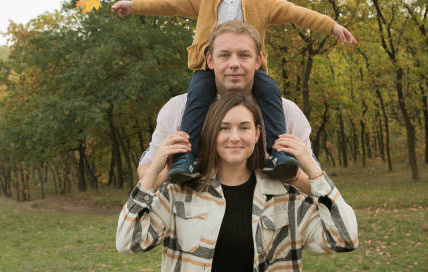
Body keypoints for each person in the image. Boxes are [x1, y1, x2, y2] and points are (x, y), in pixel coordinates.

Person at [111, 0, 357, 183]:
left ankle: (278, 152)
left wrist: (331, 26)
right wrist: (134, 5)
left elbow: (297, 14)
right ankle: (187, 157)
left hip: (252, 72)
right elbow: (169, 4)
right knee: (198, 96)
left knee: (270, 91)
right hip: (208, 71)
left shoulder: (262, 1)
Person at [116, 92, 358, 271]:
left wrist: (312, 173)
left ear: (257, 134)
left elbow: (345, 238)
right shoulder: (180, 191)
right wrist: (153, 174)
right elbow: (128, 242)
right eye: (224, 128)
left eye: (244, 127)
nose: (234, 137)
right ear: (211, 134)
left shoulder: (285, 196)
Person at [137, 21, 314, 191]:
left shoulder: (287, 112)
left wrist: (294, 175)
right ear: (210, 60)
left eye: (244, 55)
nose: (234, 64)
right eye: (224, 55)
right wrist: (170, 170)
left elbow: (315, 184)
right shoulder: (177, 108)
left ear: (258, 61)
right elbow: (145, 173)